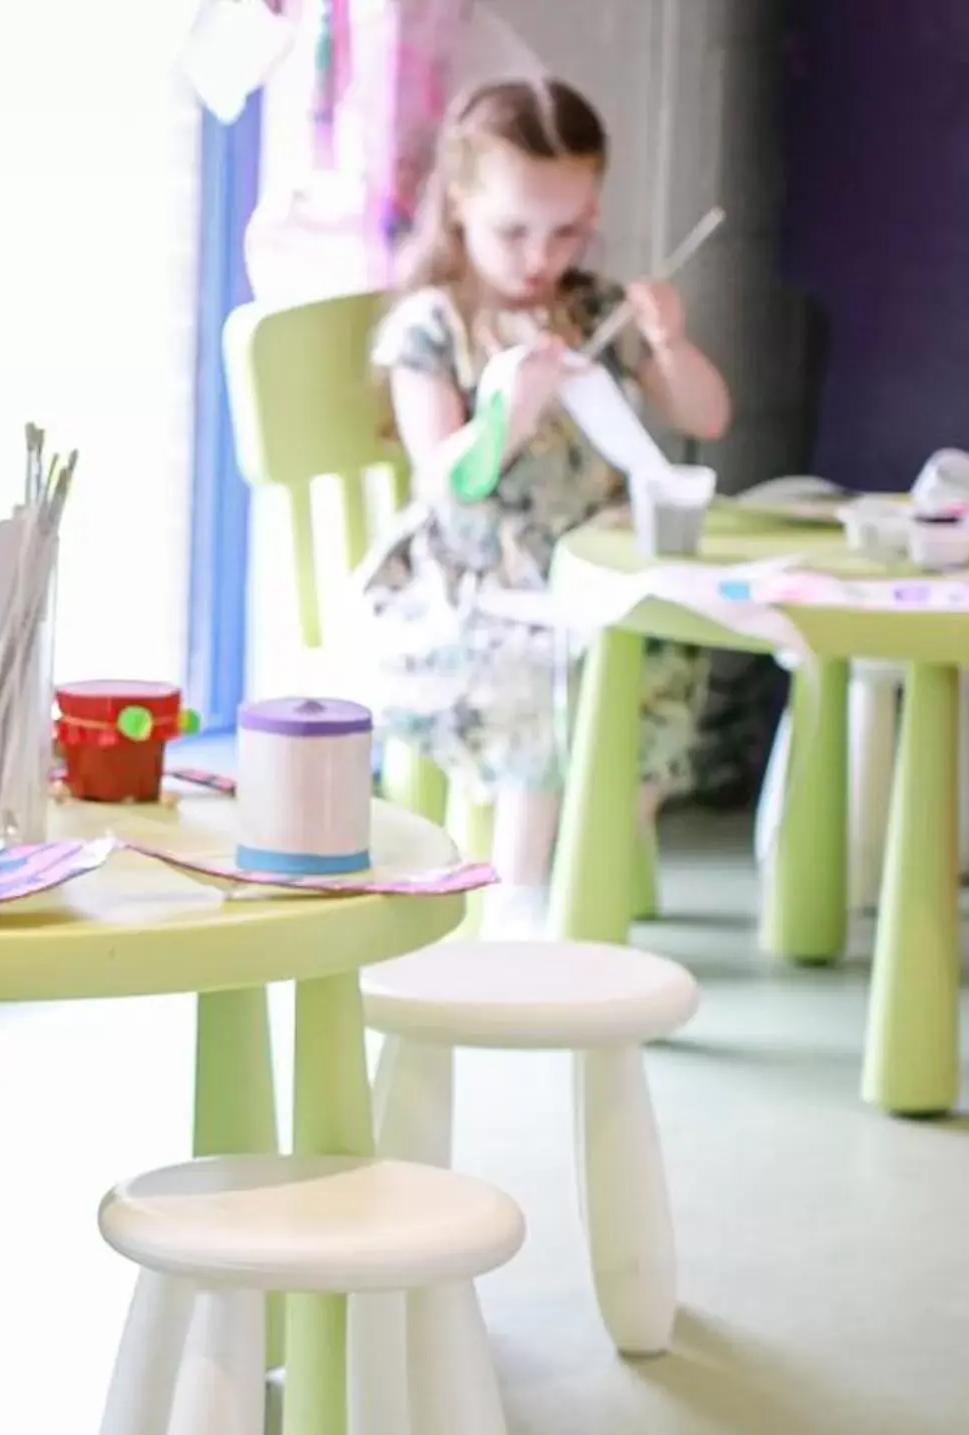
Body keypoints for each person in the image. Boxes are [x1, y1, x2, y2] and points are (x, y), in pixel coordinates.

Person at [359, 77, 733, 916]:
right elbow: (446, 479)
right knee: (541, 680)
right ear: (459, 205)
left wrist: (667, 344)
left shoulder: (590, 307)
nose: (541, 257)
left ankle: (603, 852)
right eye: (514, 230)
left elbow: (706, 415)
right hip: (474, 588)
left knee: (663, 645)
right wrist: (504, 415)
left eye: (569, 230)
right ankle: (521, 903)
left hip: (589, 576)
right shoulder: (433, 325)